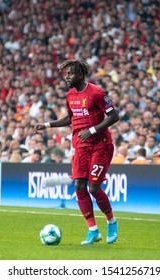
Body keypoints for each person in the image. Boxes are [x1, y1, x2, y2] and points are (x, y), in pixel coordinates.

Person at [34, 59, 119, 245]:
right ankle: (93, 231)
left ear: (80, 74)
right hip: (80, 146)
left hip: (100, 145)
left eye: (70, 74)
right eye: (65, 74)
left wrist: (93, 130)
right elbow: (70, 118)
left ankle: (111, 222)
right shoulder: (70, 95)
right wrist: (47, 125)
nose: (66, 77)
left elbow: (114, 116)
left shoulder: (96, 92)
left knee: (94, 187)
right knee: (79, 186)